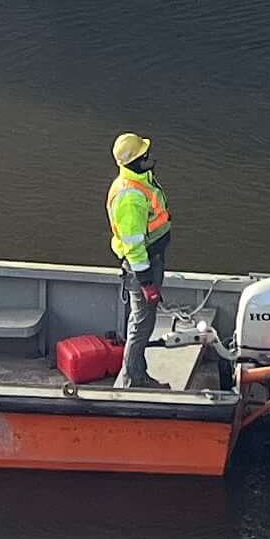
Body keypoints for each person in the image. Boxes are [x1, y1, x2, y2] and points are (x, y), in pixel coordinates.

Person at [105, 129, 175, 389]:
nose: (150, 157)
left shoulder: (140, 181)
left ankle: (136, 374)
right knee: (142, 324)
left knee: (143, 320)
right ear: (134, 161)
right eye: (145, 155)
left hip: (151, 259)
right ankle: (134, 379)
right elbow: (134, 246)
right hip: (142, 267)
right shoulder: (130, 196)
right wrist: (146, 283)